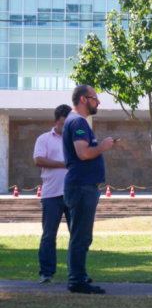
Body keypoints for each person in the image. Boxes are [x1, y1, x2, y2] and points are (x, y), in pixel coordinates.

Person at [63, 85, 115, 294]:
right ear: (84, 100)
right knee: (81, 236)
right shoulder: (77, 121)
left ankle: (79, 275)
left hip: (82, 186)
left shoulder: (75, 121)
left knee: (80, 235)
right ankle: (76, 280)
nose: (98, 102)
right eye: (95, 98)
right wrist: (103, 145)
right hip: (82, 186)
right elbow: (83, 153)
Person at [33, 104, 72, 284]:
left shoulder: (75, 139)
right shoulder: (44, 139)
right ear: (55, 121)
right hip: (51, 194)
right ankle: (46, 272)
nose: (66, 127)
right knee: (49, 235)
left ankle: (77, 273)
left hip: (74, 194)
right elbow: (39, 160)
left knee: (77, 236)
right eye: (63, 124)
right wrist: (63, 164)